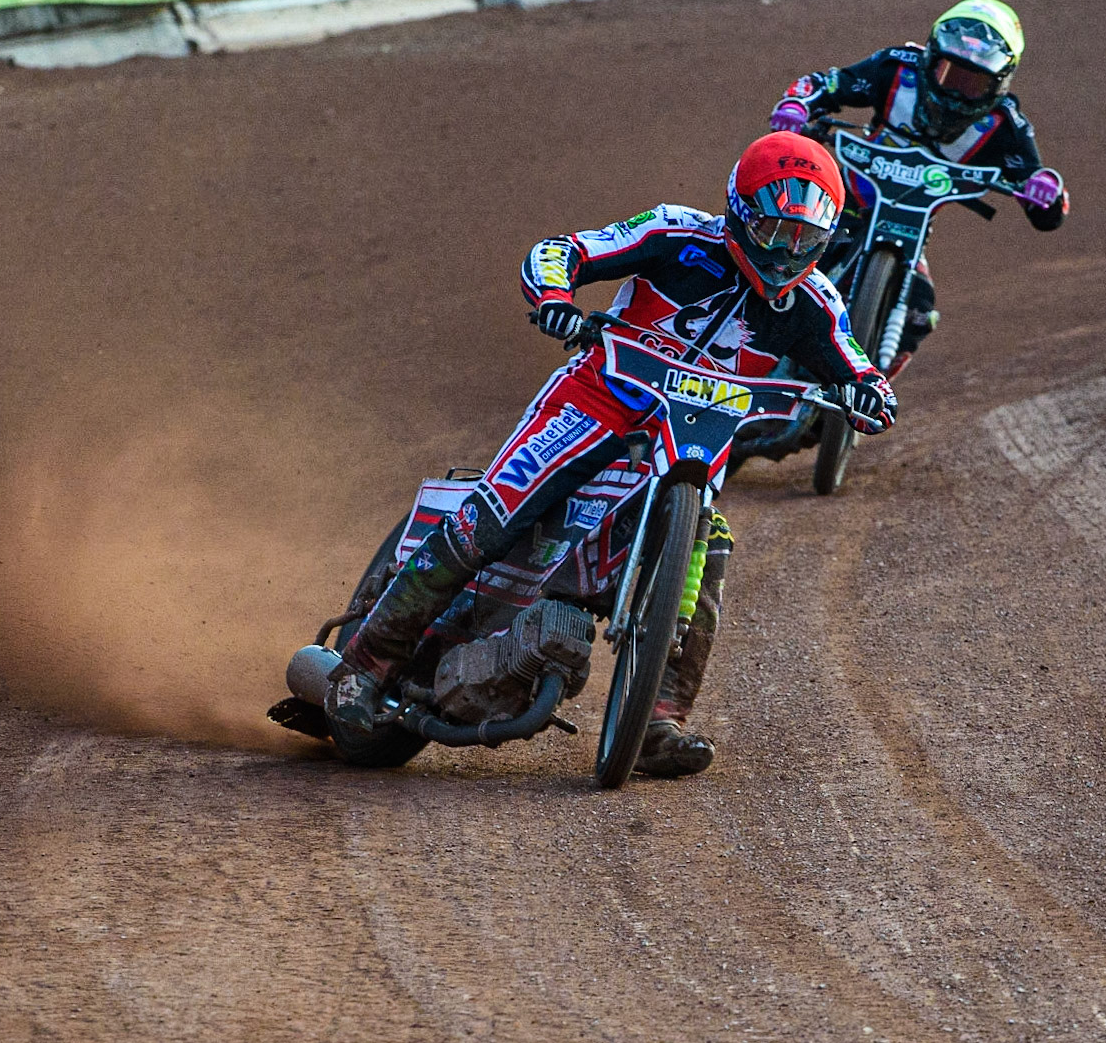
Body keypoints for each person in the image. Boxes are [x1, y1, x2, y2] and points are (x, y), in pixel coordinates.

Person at [326, 132, 897, 778]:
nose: (787, 251)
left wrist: (869, 393)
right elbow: (562, 252)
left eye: (804, 238)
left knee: (709, 547)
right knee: (499, 509)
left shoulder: (815, 300)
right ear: (738, 211)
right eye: (773, 229)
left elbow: (853, 363)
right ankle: (366, 664)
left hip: (689, 441)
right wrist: (555, 300)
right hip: (598, 398)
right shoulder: (675, 233)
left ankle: (657, 718)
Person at [769, 0, 1069, 377]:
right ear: (929, 58)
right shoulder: (895, 69)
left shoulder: (1005, 124)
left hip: (910, 229)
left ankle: (859, 397)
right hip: (841, 204)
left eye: (973, 84)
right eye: (949, 74)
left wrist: (1045, 191)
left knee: (918, 312)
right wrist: (797, 105)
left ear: (999, 83)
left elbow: (1042, 199)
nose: (957, 93)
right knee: (781, 250)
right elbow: (827, 83)